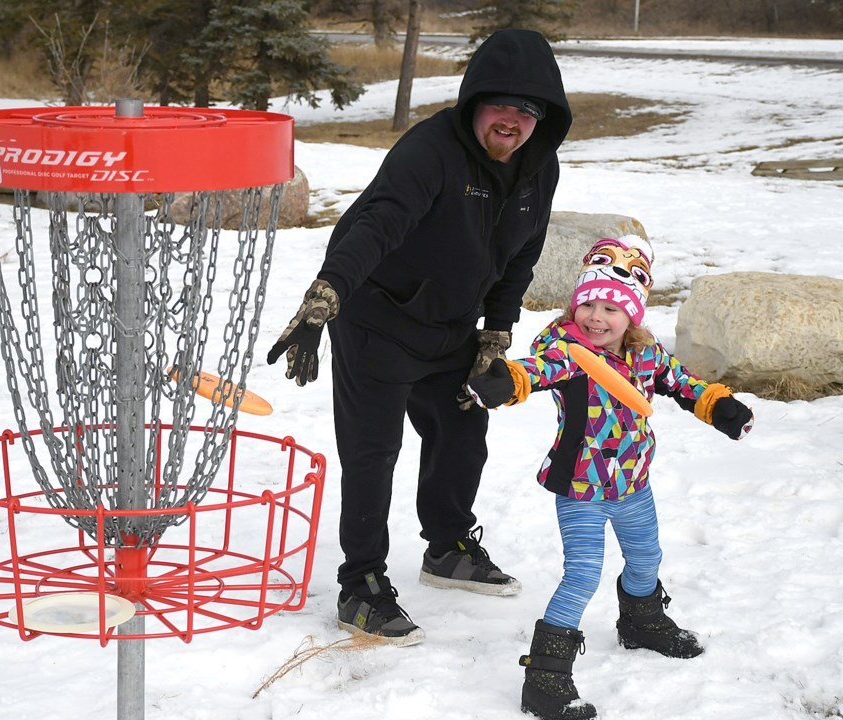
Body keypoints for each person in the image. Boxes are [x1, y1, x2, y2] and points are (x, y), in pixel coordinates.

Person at [266, 28, 572, 646]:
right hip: (379, 319)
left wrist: (497, 329)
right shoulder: (431, 150)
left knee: (462, 432)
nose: (513, 119)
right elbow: (379, 222)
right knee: (373, 452)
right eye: (501, 103)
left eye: (530, 108)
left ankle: (449, 547)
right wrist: (328, 293)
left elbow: (522, 254)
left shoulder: (540, 169)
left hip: (453, 326)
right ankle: (362, 585)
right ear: (473, 102)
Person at [467, 235, 754, 719]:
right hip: (581, 488)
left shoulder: (646, 355)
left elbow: (685, 384)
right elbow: (533, 371)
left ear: (632, 316)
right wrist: (505, 381)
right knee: (582, 574)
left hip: (633, 484)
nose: (597, 317)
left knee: (646, 557)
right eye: (589, 304)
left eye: (610, 309)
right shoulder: (569, 353)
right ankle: (545, 676)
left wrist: (717, 405)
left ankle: (642, 623)